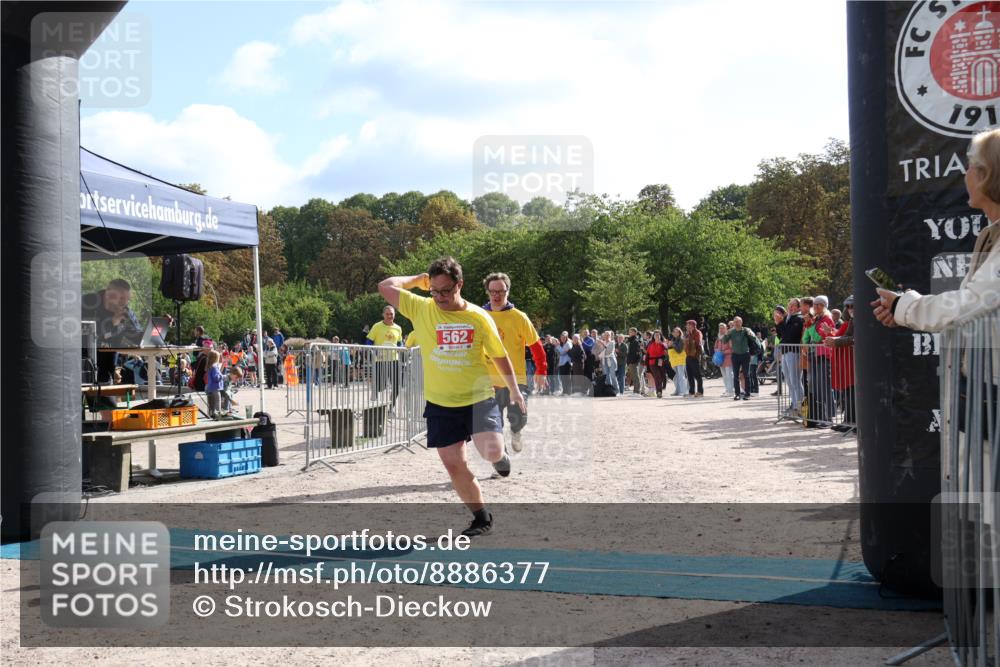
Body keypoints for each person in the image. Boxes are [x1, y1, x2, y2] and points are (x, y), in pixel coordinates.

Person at [378, 257, 526, 537]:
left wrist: (515, 390)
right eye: (434, 290)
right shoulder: (422, 307)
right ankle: (481, 518)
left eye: (445, 291)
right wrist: (417, 281)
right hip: (440, 402)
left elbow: (499, 355)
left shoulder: (478, 317)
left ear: (460, 285)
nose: (439, 297)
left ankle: (500, 456)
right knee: (453, 463)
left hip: (477, 397)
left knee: (490, 451)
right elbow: (385, 286)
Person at [873, 128, 1000, 332]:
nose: (965, 175)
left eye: (970, 167)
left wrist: (904, 306)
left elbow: (974, 306)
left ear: (987, 174)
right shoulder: (992, 236)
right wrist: (902, 306)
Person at [482, 271, 548, 453]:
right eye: (492, 291)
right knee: (493, 425)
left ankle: (516, 431)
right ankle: (500, 459)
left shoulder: (519, 317)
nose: (496, 295)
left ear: (507, 292)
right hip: (488, 381)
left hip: (516, 380)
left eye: (501, 291)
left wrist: (541, 370)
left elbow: (536, 346)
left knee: (519, 417)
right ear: (487, 292)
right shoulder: (479, 316)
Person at [81, 278, 143, 382]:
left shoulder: (125, 311)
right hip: (83, 366)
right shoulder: (87, 303)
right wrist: (112, 324)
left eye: (127, 299)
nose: (125, 303)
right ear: (108, 295)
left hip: (107, 369)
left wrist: (155, 330)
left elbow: (136, 335)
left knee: (107, 397)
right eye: (122, 298)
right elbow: (84, 335)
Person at [802, 295, 836, 427]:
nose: (815, 307)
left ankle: (828, 417)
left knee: (824, 386)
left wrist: (809, 324)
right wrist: (810, 324)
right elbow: (809, 336)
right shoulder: (816, 319)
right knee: (815, 387)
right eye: (815, 304)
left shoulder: (827, 319)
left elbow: (818, 336)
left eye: (819, 305)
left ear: (824, 306)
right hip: (814, 355)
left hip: (823, 355)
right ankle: (819, 416)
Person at [825, 295, 856, 432]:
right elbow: (844, 336)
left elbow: (854, 338)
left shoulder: (858, 321)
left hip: (851, 361)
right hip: (845, 361)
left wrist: (836, 340)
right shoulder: (852, 321)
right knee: (847, 393)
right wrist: (834, 336)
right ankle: (848, 420)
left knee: (851, 393)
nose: (850, 309)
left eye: (853, 306)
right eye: (848, 306)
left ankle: (852, 422)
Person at [367, 305, 404, 408]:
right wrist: (374, 352)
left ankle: (391, 407)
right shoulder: (377, 326)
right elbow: (369, 341)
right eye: (387, 314)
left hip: (394, 360)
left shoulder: (398, 328)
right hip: (380, 360)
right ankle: (375, 395)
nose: (389, 316)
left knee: (397, 386)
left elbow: (400, 343)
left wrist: (401, 348)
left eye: (391, 314)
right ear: (383, 315)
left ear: (394, 315)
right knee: (381, 386)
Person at [722, 316, 757, 400]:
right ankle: (737, 394)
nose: (737, 324)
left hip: (745, 354)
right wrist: (726, 333)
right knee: (736, 375)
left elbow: (754, 338)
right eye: (735, 322)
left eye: (738, 322)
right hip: (735, 355)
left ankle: (747, 394)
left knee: (746, 375)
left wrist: (750, 333)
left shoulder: (746, 330)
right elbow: (724, 341)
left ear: (741, 322)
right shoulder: (731, 332)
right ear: (733, 323)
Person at [684, 319, 705, 397]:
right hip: (688, 356)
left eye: (688, 325)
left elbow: (698, 343)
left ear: (693, 325)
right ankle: (691, 391)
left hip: (695, 356)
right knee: (689, 375)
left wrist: (689, 341)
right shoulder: (688, 333)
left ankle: (700, 391)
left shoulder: (697, 332)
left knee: (697, 375)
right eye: (687, 325)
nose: (687, 326)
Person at [645, 330, 668, 398]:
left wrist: (662, 344)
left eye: (658, 335)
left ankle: (660, 389)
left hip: (661, 362)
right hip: (652, 363)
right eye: (655, 335)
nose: (657, 336)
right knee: (657, 376)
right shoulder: (650, 344)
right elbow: (647, 355)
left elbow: (666, 353)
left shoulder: (663, 344)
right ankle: (659, 392)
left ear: (660, 336)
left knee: (661, 376)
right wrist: (646, 365)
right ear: (653, 336)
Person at [716, 323, 735, 397]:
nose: (721, 329)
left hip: (728, 358)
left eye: (723, 328)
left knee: (729, 374)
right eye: (720, 328)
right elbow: (716, 346)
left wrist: (723, 352)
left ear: (726, 329)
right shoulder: (718, 337)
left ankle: (731, 390)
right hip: (720, 359)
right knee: (724, 375)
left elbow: (731, 348)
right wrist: (717, 351)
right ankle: (727, 389)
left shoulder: (728, 336)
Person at [668, 327, 688, 396]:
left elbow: (679, 350)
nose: (675, 333)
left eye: (677, 332)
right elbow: (671, 349)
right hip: (675, 360)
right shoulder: (673, 339)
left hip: (680, 360)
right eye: (674, 332)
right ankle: (678, 391)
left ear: (679, 333)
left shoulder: (681, 339)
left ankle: (684, 391)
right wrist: (669, 345)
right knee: (676, 377)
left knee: (681, 376)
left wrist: (672, 344)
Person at [205, 350, 224, 418]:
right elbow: (216, 378)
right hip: (215, 387)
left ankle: (212, 414)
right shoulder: (214, 367)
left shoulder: (209, 366)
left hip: (210, 387)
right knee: (217, 401)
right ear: (216, 358)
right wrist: (221, 376)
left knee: (211, 402)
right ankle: (218, 414)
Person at [625, 327, 644, 395]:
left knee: (636, 376)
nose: (629, 333)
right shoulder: (631, 340)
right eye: (629, 332)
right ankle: (635, 391)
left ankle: (637, 391)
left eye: (630, 332)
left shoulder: (635, 341)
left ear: (634, 333)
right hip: (631, 361)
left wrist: (633, 361)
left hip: (634, 362)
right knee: (633, 376)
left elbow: (637, 353)